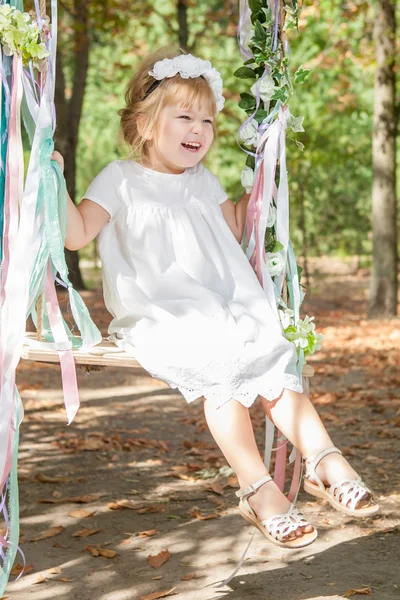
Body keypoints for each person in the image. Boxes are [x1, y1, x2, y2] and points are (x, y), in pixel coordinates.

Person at [52, 47, 378, 549]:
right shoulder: (120, 179)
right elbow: (76, 236)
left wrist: (266, 171)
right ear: (144, 123)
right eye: (184, 116)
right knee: (219, 358)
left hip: (223, 300)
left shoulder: (203, 182)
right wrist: (49, 183)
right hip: (162, 309)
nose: (199, 129)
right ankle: (258, 489)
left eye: (207, 119)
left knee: (267, 346)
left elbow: (235, 226)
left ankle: (325, 461)